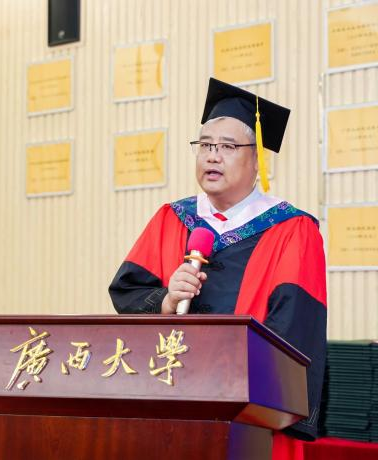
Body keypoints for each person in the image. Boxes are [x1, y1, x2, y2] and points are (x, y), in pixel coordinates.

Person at [109, 78, 327, 455]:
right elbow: (127, 294)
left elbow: (294, 334)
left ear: (257, 159)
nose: (212, 156)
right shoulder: (171, 218)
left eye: (227, 146)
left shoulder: (292, 230)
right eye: (205, 145)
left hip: (250, 419)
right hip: (169, 409)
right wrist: (165, 300)